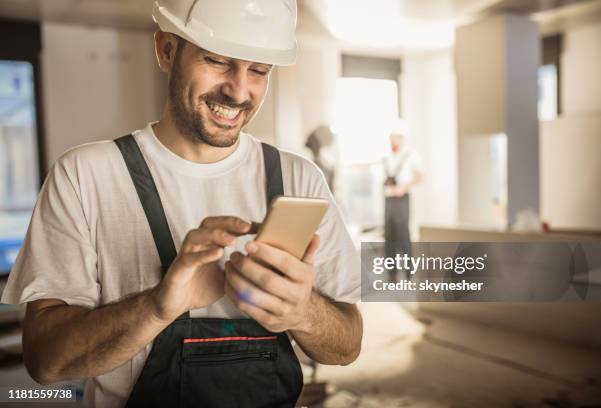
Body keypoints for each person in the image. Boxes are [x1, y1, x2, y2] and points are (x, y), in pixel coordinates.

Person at [0, 1, 363, 407]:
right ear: (167, 50)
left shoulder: (299, 179)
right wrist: (157, 306)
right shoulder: (85, 176)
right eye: (218, 61)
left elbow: (347, 345)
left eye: (259, 70)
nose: (239, 91)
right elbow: (44, 360)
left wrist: (302, 313)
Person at [383, 130, 424, 283]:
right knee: (389, 236)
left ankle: (409, 273)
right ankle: (392, 274)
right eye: (390, 136)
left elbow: (421, 176)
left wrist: (404, 187)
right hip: (388, 198)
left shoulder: (410, 155)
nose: (392, 139)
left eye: (395, 136)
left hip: (402, 198)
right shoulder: (386, 156)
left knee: (403, 235)